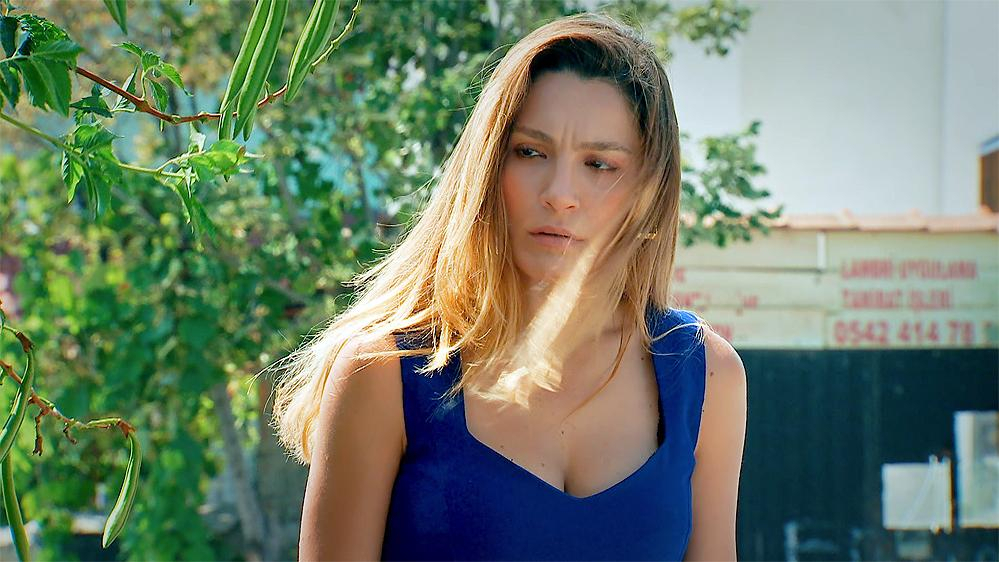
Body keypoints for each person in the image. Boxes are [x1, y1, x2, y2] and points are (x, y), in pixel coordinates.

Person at [273, 11, 747, 562]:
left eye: (599, 164)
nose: (560, 192)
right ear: (490, 165)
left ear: (649, 187)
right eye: (530, 152)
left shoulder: (707, 375)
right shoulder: (382, 372)